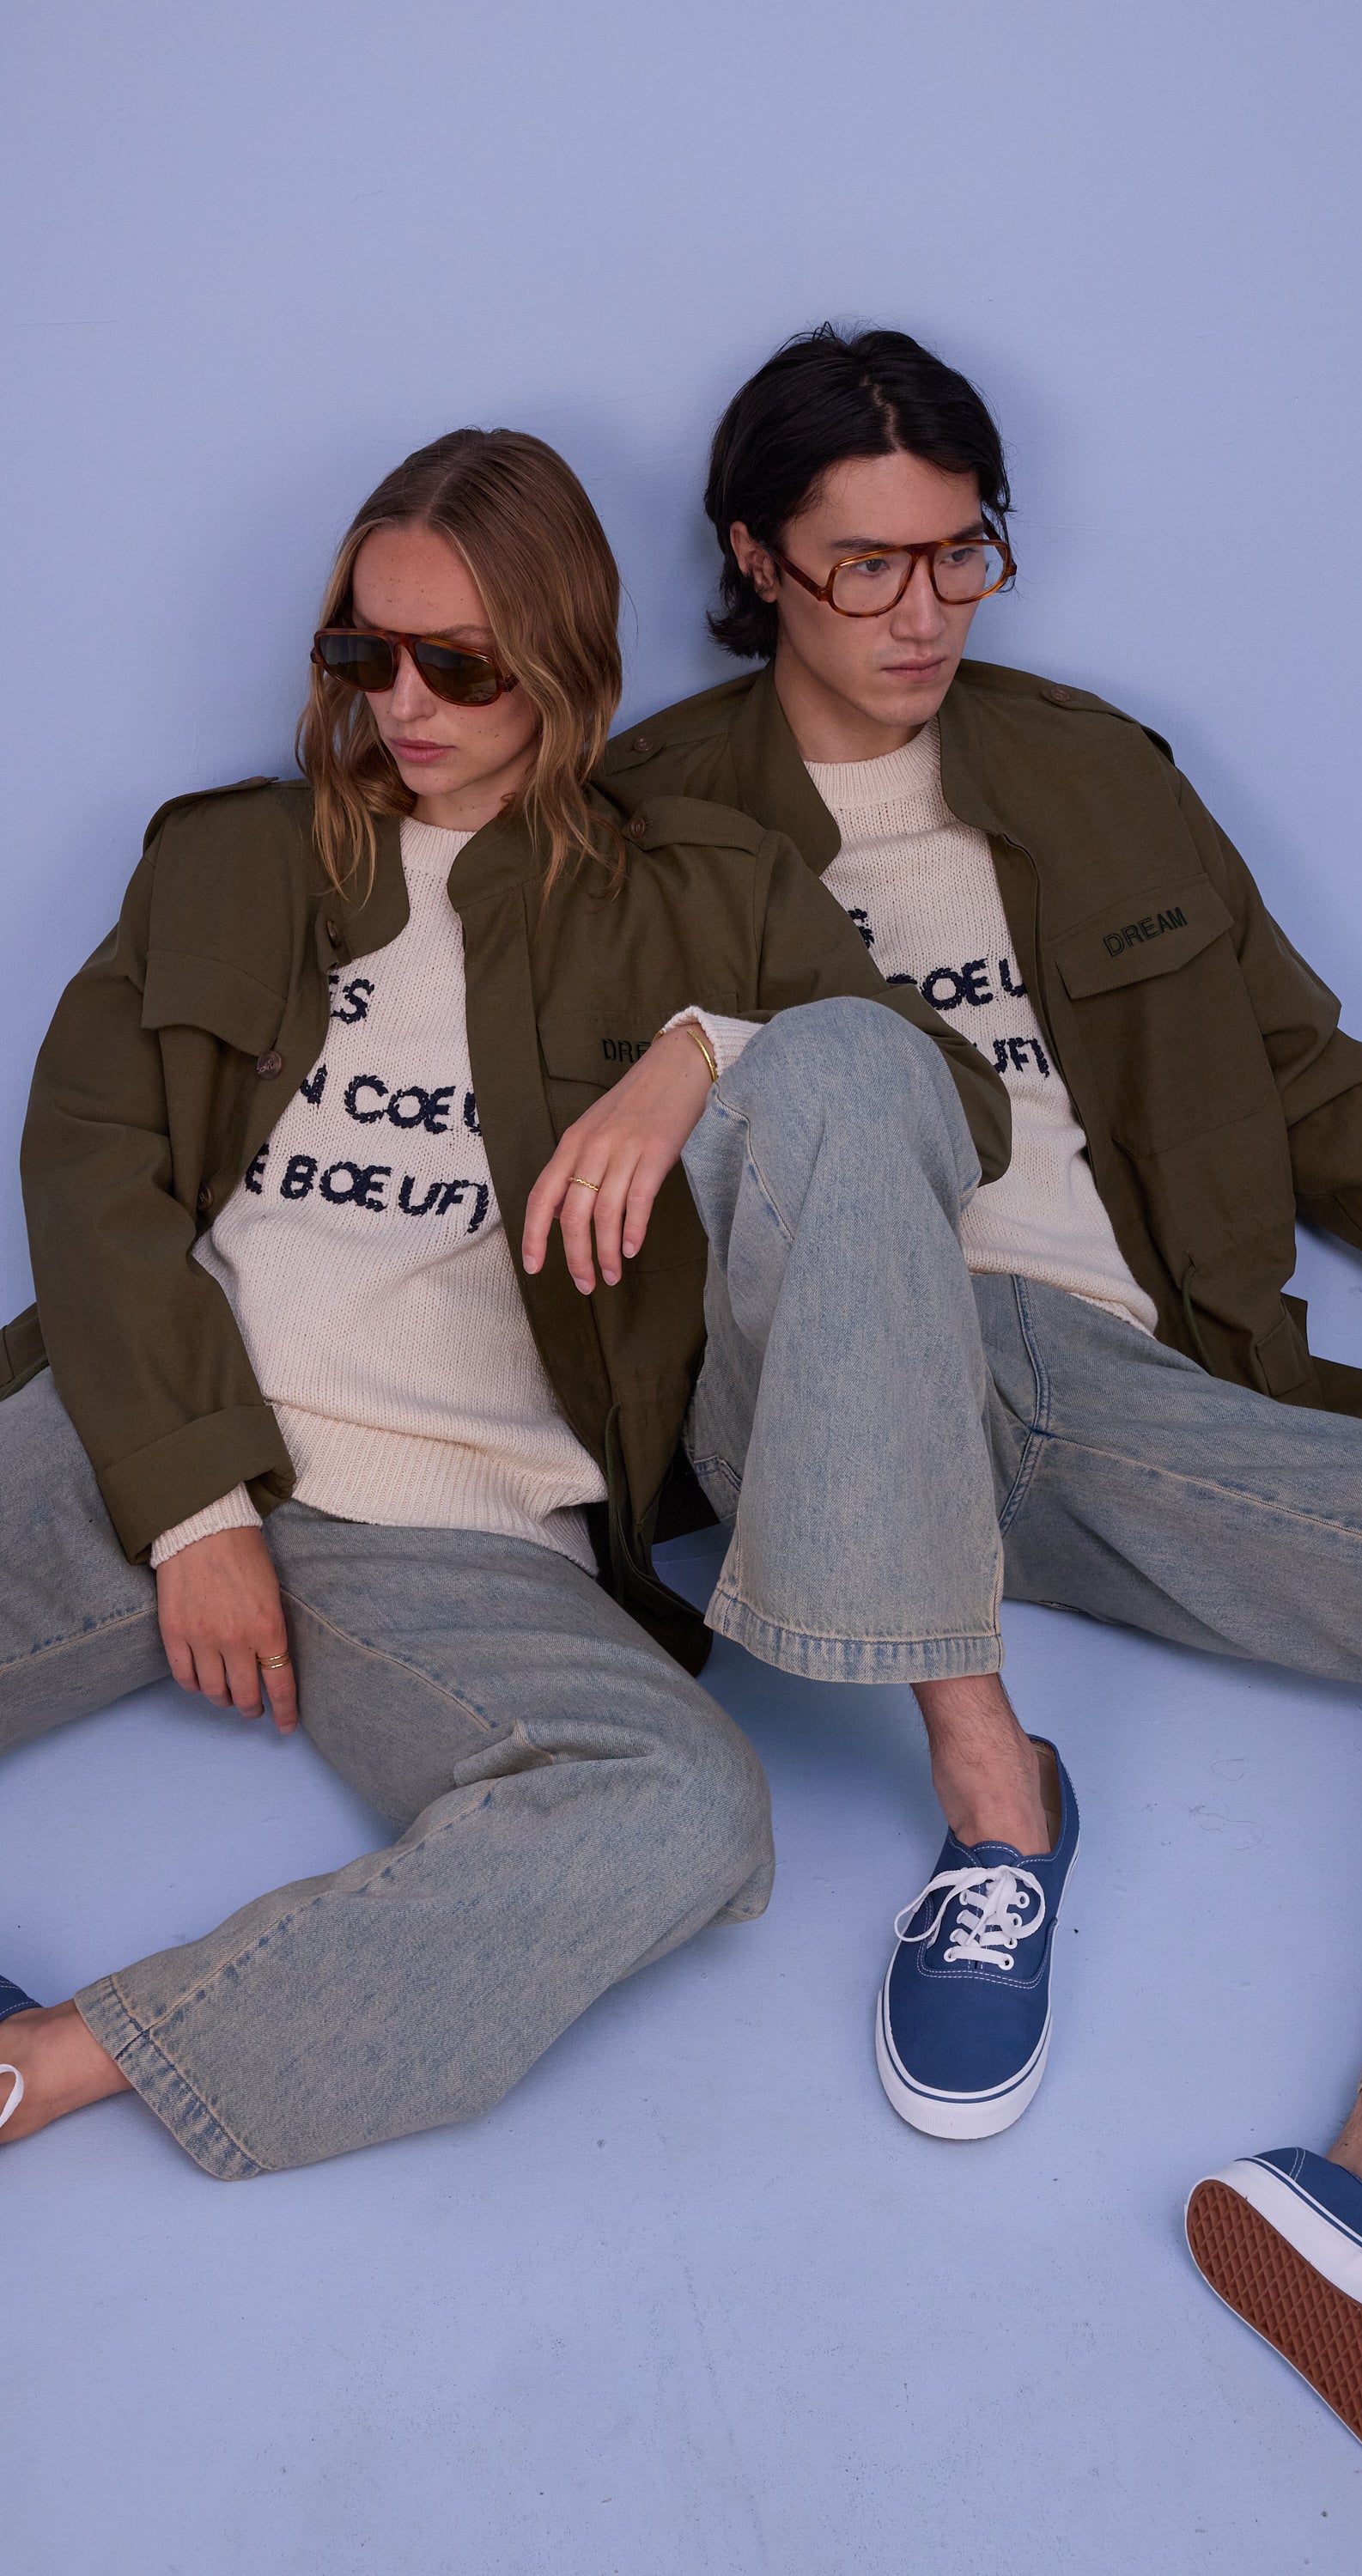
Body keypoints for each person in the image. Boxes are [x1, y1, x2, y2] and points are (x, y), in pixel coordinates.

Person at [599, 327, 1362, 2537]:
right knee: (842, 1090)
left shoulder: (1091, 765)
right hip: (825, 1370)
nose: (923, 611)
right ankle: (1005, 1818)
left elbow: (1307, 1081)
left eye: (960, 555)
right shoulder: (640, 815)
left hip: (1104, 1387)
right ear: (751, 559)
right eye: (863, 566)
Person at [0, 423, 1009, 2179]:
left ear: (565, 657)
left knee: (683, 1810)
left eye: (458, 665)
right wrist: (195, 1512)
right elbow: (92, 1170)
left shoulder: (705, 890)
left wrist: (703, 1052)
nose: (402, 704)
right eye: (362, 653)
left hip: (454, 1535)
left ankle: (64, 2060)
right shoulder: (226, 858)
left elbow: (943, 1104)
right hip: (157, 1427)